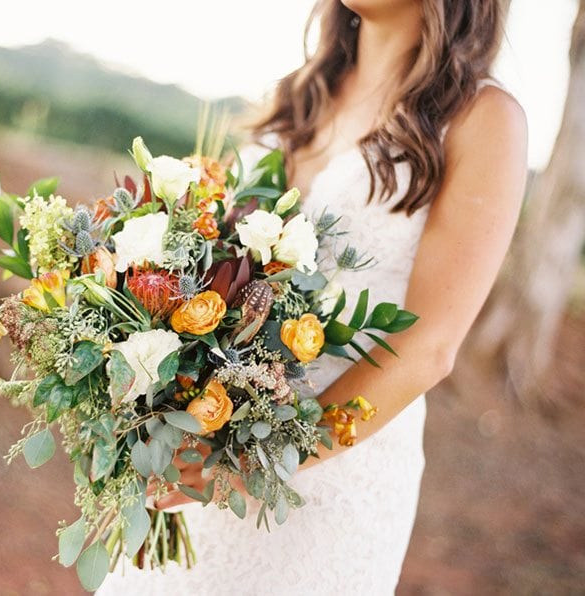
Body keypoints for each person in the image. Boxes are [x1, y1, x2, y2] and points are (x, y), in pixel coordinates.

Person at [97, 0, 527, 593]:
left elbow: (430, 345)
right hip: (207, 444)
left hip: (334, 478)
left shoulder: (483, 119)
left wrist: (266, 460)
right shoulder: (299, 93)